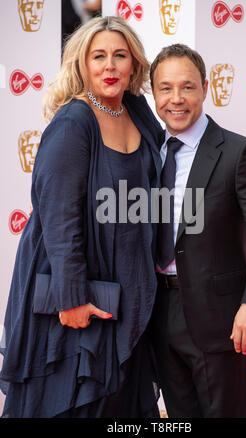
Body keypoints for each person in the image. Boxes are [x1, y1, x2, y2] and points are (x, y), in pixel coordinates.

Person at [0, 16, 163, 418]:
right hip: (79, 289)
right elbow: (59, 219)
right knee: (75, 401)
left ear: (134, 65)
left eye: (120, 55)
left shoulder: (138, 111)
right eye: (99, 56)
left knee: (120, 404)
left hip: (126, 284)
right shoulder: (74, 122)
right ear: (82, 64)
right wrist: (70, 298)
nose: (110, 66)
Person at [149, 44, 246, 418]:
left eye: (187, 87)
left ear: (206, 89)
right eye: (166, 88)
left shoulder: (240, 153)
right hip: (158, 314)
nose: (176, 99)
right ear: (153, 93)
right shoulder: (148, 154)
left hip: (222, 319)